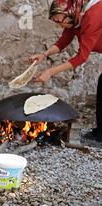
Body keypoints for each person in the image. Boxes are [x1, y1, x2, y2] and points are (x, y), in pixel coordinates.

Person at [29, 0, 102, 142]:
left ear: (69, 13)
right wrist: (44, 55)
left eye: (59, 21)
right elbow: (64, 40)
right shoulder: (75, 16)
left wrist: (50, 72)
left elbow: (81, 57)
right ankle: (100, 133)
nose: (58, 25)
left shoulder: (93, 16)